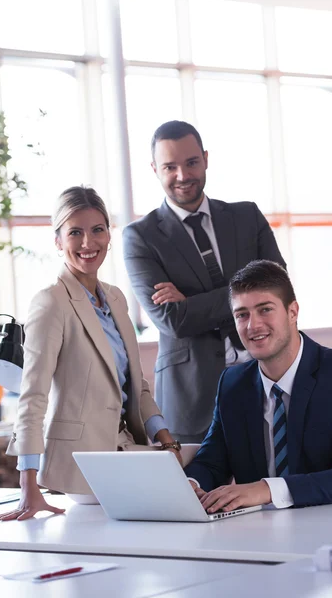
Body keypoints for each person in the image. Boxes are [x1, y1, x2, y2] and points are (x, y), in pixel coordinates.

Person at [0, 186, 181, 522]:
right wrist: (29, 483)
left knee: (198, 467)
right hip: (81, 464)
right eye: (75, 233)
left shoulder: (115, 298)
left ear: (109, 234)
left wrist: (165, 438)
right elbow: (33, 394)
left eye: (97, 230)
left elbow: (135, 384)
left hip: (124, 448)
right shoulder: (51, 301)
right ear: (57, 241)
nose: (87, 243)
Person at [123, 120, 286, 443]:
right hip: (191, 397)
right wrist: (249, 293)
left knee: (274, 485)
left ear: (206, 159)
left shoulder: (247, 216)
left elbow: (278, 286)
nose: (183, 175)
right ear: (155, 169)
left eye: (192, 162)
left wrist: (192, 301)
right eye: (170, 166)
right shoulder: (140, 237)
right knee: (199, 491)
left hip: (267, 378)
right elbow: (174, 320)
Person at [184, 260, 332, 510]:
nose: (253, 325)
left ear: (293, 312)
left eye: (265, 310)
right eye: (242, 314)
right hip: (265, 530)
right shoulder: (232, 383)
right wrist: (190, 484)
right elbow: (212, 462)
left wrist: (267, 489)